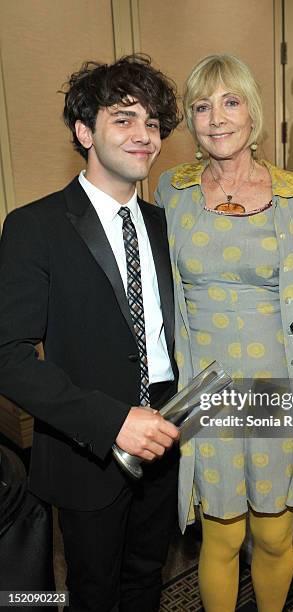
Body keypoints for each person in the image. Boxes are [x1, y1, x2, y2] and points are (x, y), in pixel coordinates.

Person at [154, 53, 293, 612]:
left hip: (276, 382)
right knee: (221, 536)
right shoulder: (172, 192)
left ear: (253, 113)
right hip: (204, 387)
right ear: (189, 122)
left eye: (230, 102)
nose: (217, 118)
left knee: (272, 534)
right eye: (202, 106)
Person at [0, 55, 181, 612]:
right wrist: (112, 421)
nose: (144, 136)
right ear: (84, 131)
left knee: (147, 579)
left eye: (152, 123)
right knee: (94, 591)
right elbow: (8, 357)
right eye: (124, 119)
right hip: (89, 450)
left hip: (168, 436)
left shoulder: (162, 222)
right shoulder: (35, 225)